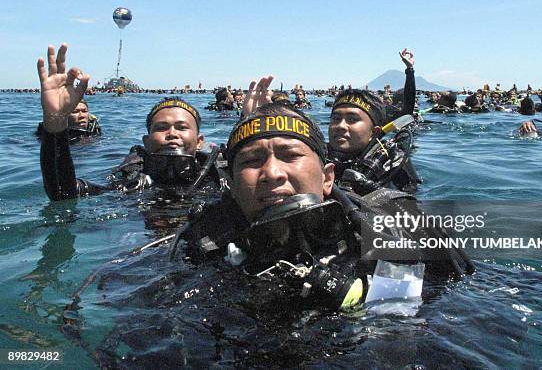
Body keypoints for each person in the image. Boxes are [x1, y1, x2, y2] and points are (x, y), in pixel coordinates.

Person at [170, 101, 474, 312]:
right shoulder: (203, 244)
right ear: (232, 186)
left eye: (290, 155)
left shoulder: (392, 224)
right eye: (251, 161)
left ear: (328, 177)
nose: (272, 173)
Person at [37, 44, 222, 201]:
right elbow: (64, 193)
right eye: (161, 127)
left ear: (200, 141)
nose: (172, 133)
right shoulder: (131, 182)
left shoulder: (220, 180)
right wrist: (56, 123)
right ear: (146, 141)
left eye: (181, 127)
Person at [326, 49, 420, 196]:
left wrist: (410, 70)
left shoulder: (393, 162)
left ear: (375, 131)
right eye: (336, 119)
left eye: (352, 119)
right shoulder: (317, 156)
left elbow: (414, 208)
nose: (341, 126)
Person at [35, 99, 101, 143]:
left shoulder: (95, 133)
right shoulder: (52, 137)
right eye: (75, 112)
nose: (81, 116)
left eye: (84, 111)